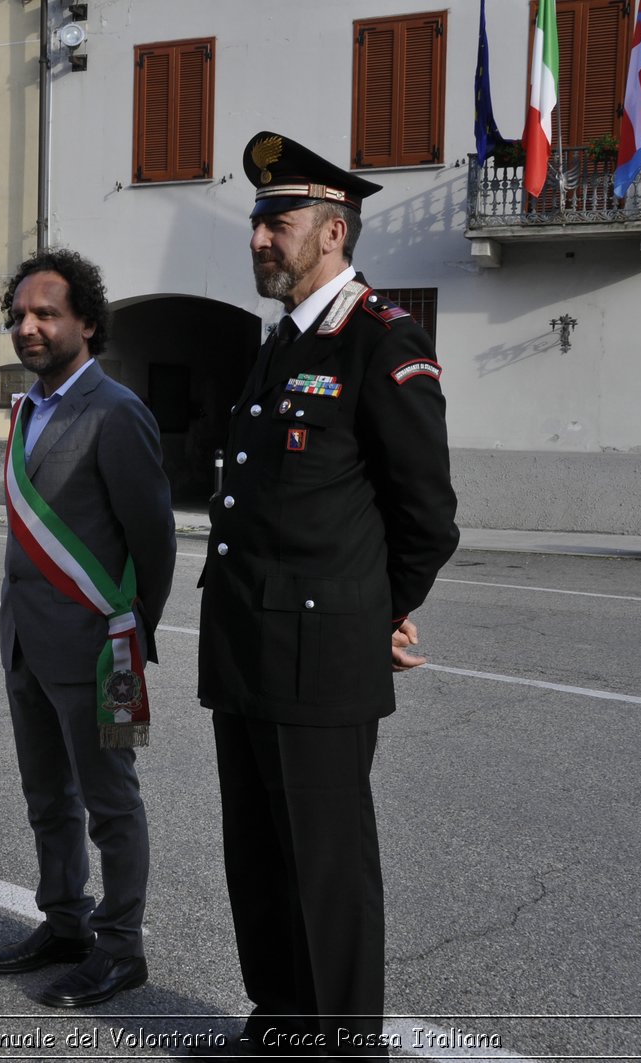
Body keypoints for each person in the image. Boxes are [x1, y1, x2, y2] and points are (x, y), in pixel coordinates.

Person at [195, 132, 460, 1058]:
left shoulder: (378, 340)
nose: (261, 237)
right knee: (260, 858)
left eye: (280, 220)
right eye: (258, 220)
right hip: (246, 645)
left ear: (334, 232)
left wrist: (373, 611)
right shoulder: (282, 344)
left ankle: (346, 1046)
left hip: (319, 654)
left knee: (327, 865)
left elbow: (426, 513)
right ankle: (279, 1025)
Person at [0, 249, 175, 1008]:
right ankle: (64, 922)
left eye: (46, 314)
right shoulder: (29, 406)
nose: (28, 328)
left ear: (86, 322)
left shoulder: (118, 413)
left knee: (111, 802)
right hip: (26, 640)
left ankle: (121, 947)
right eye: (20, 315)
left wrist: (128, 633)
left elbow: (152, 541)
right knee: (46, 795)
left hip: (99, 646)